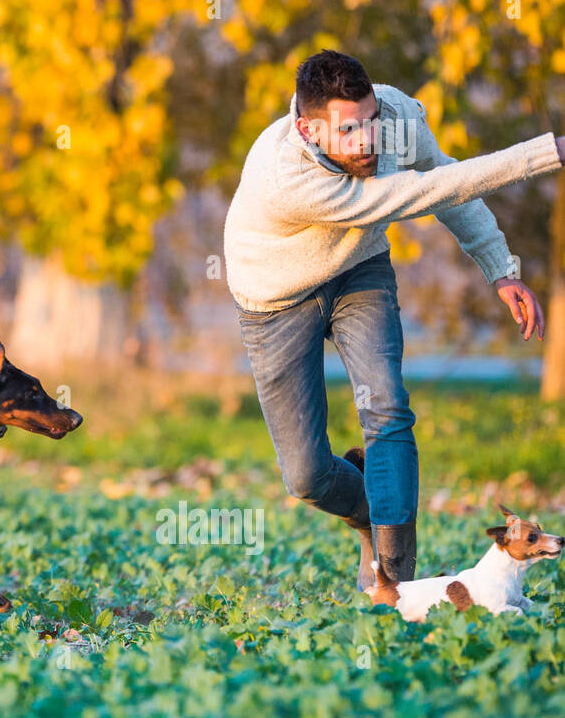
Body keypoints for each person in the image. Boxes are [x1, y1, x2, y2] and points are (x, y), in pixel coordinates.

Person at [223, 49, 565, 588]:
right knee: (306, 477)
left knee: (386, 407)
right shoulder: (286, 178)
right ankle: (370, 509)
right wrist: (551, 152)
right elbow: (421, 193)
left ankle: (394, 586)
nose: (368, 141)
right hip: (275, 299)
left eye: (371, 121)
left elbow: (445, 177)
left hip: (358, 269)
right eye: (349, 131)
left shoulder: (394, 115)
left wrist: (502, 269)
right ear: (308, 130)